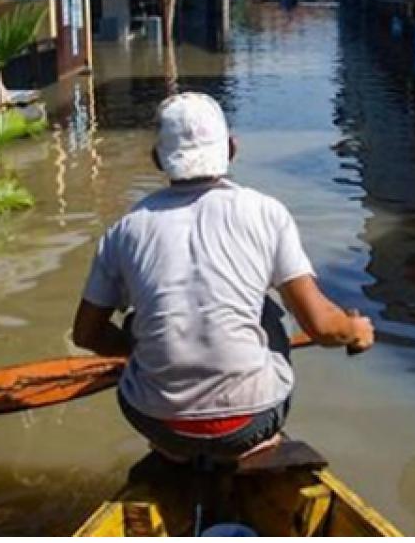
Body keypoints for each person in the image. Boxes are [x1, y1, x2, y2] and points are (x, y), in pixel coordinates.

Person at [71, 92, 375, 463]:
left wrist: (139, 350)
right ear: (231, 150)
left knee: (137, 320)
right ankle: (260, 446)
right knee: (265, 308)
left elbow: (86, 335)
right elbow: (324, 328)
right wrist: (356, 330)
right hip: (253, 420)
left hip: (156, 422)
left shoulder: (124, 230)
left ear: (157, 160)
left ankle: (173, 451)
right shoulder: (267, 213)